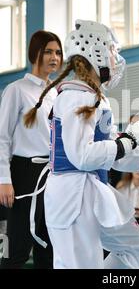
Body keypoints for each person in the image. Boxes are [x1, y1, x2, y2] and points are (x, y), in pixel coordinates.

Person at [24, 19, 139, 269]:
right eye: (111, 51)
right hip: (73, 199)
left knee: (136, 247)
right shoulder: (78, 97)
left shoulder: (91, 96)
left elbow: (109, 149)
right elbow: (83, 156)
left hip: (91, 193)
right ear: (95, 51)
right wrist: (129, 140)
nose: (115, 58)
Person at [0, 30, 63, 268]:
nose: (54, 57)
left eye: (58, 52)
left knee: (48, 247)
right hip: (23, 174)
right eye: (48, 51)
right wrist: (3, 179)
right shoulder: (16, 90)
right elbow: (2, 137)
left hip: (53, 174)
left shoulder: (58, 94)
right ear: (34, 53)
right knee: (16, 248)